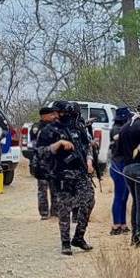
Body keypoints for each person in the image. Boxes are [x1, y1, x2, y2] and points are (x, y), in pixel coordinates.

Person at [33, 100, 95, 255]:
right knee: (64, 208)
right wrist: (58, 144)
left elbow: (86, 146)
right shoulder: (49, 130)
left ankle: (79, 237)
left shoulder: (77, 127)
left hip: (80, 172)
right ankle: (65, 242)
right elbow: (40, 152)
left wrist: (89, 160)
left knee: (89, 200)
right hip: (61, 174)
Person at [116, 105, 140, 246]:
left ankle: (134, 238)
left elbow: (118, 151)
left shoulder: (124, 127)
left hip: (126, 169)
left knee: (136, 203)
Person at [28, 106, 57, 220]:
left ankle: (55, 212)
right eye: (51, 115)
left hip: (54, 162)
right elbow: (36, 145)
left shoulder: (55, 126)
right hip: (42, 162)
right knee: (43, 189)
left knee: (55, 187)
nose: (53, 116)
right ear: (44, 116)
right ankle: (44, 213)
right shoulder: (37, 128)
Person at [108, 107, 133, 235]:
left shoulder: (120, 129)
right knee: (119, 196)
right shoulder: (117, 130)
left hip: (121, 164)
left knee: (124, 196)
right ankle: (116, 225)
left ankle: (123, 224)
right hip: (118, 165)